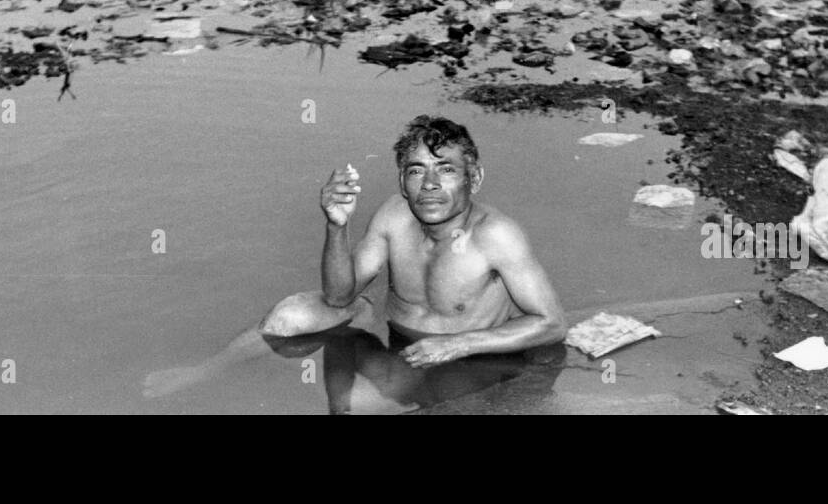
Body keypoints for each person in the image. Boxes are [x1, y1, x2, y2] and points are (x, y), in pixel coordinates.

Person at [142, 116, 567, 403]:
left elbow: (551, 324)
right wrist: (336, 224)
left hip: (464, 363)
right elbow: (338, 295)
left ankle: (294, 383)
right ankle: (205, 371)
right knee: (292, 315)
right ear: (402, 180)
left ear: (474, 177)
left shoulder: (497, 235)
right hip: (394, 339)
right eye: (417, 170)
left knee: (354, 409)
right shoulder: (394, 216)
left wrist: (458, 344)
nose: (430, 184)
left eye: (446, 169)